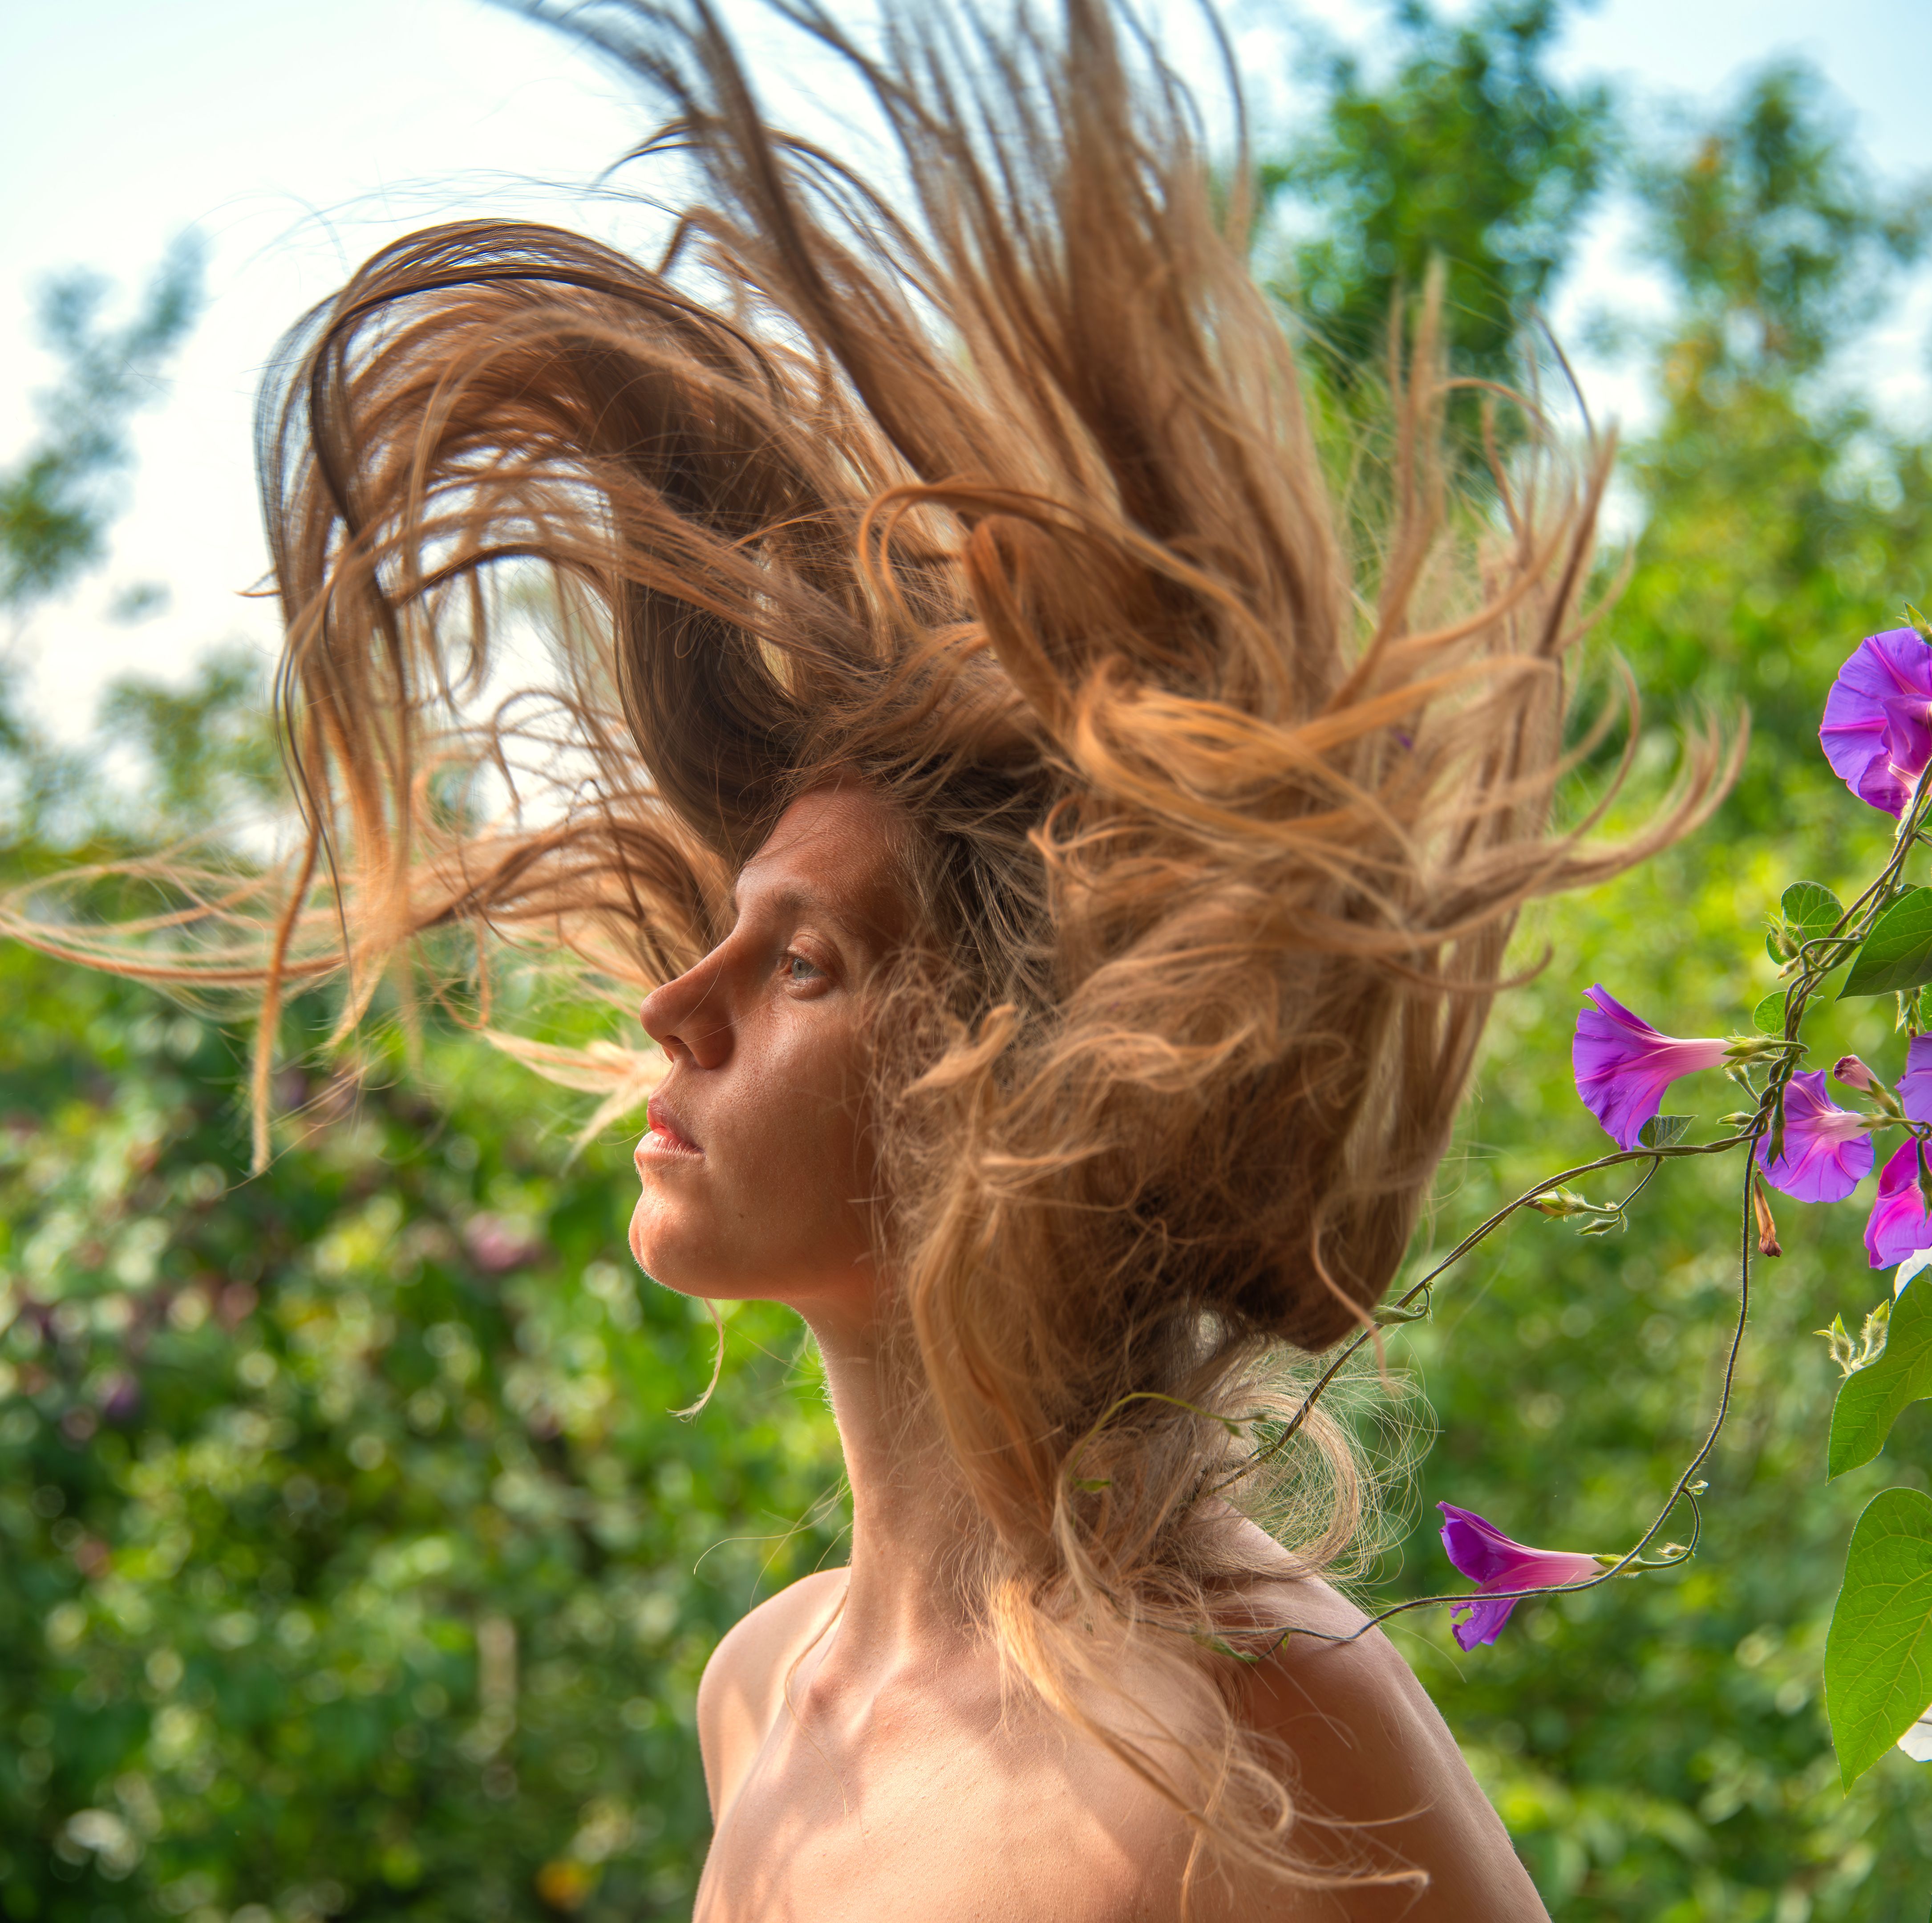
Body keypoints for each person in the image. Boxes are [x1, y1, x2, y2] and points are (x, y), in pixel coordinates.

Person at [11, 0, 1722, 1913]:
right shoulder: (764, 1694)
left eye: (799, 962)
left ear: (1006, 1081)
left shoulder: (1261, 1726)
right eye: (724, 934)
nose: (673, 1003)